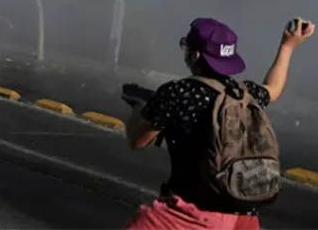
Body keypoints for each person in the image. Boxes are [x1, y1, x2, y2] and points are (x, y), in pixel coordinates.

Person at [123, 17, 314, 230]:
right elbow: (273, 88)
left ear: (195, 55)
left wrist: (138, 107)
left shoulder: (178, 93)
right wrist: (288, 45)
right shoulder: (244, 94)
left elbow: (137, 140)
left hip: (188, 215)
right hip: (241, 216)